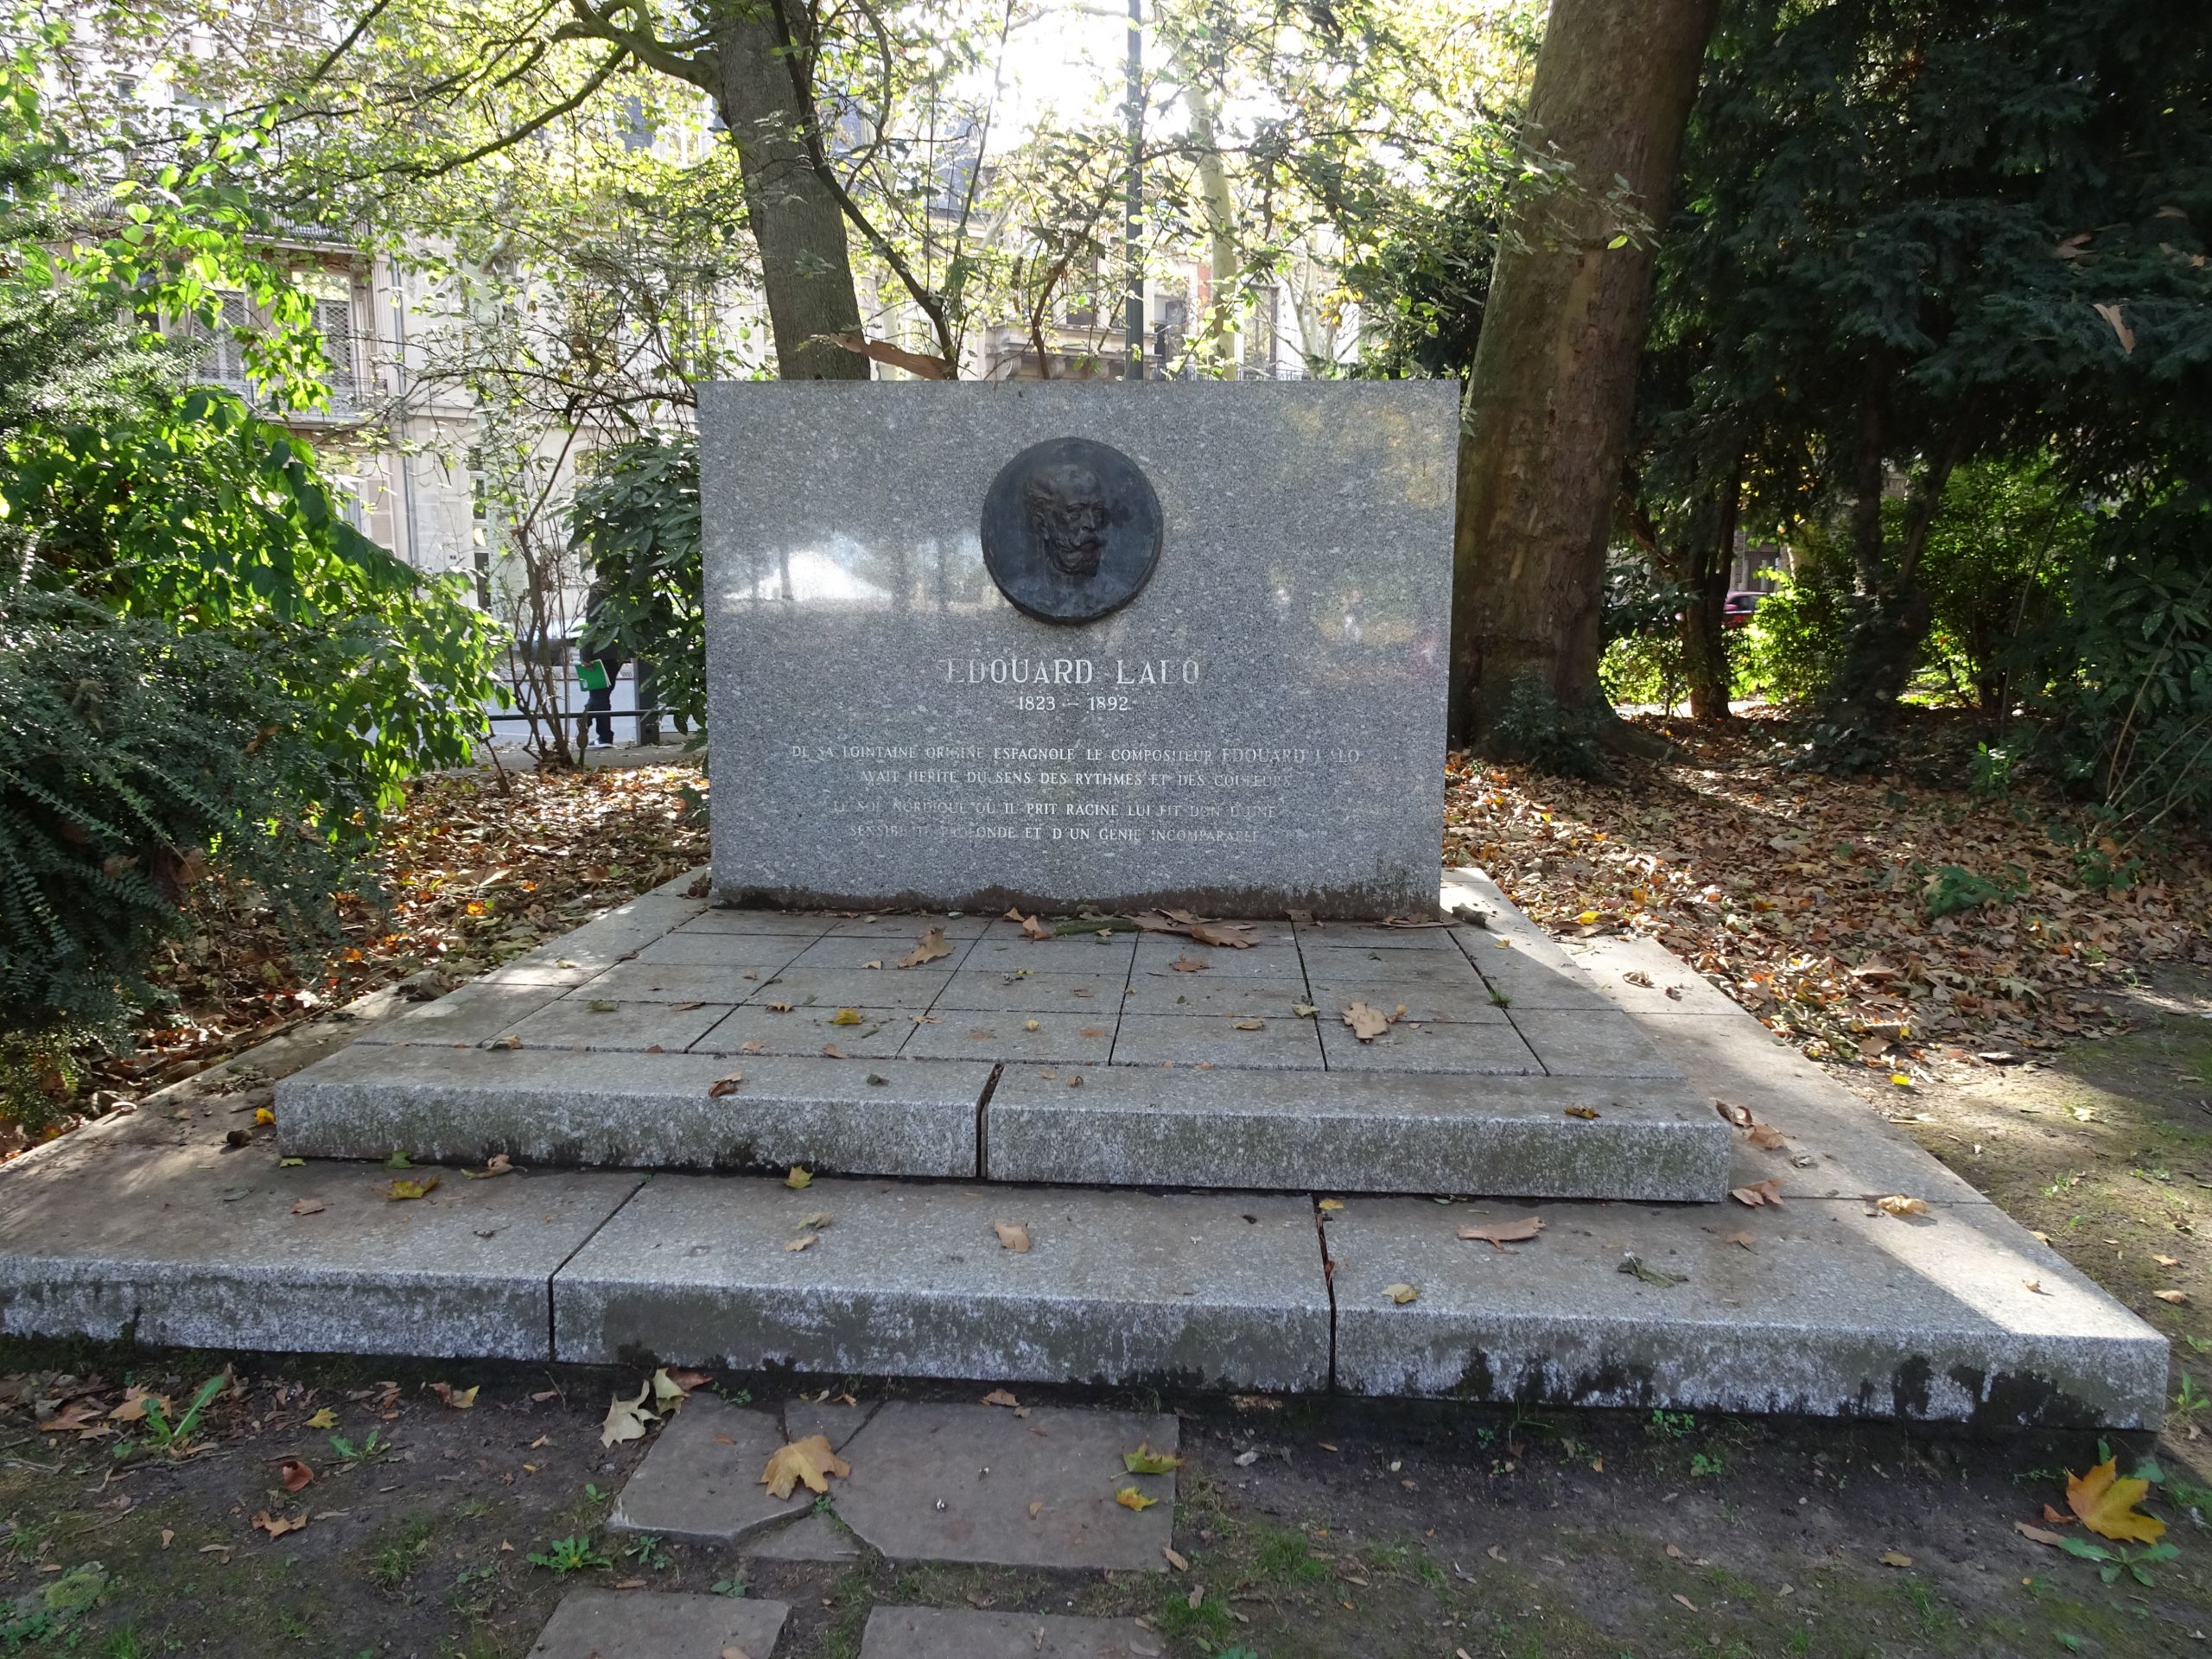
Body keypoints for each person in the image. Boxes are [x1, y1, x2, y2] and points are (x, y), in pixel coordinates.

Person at [575, 580, 628, 753]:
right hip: (620, 648)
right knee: (603, 692)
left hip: (601, 648)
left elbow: (592, 621)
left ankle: (597, 729)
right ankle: (596, 728)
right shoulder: (626, 583)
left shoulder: (600, 587)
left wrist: (585, 653)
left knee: (599, 693)